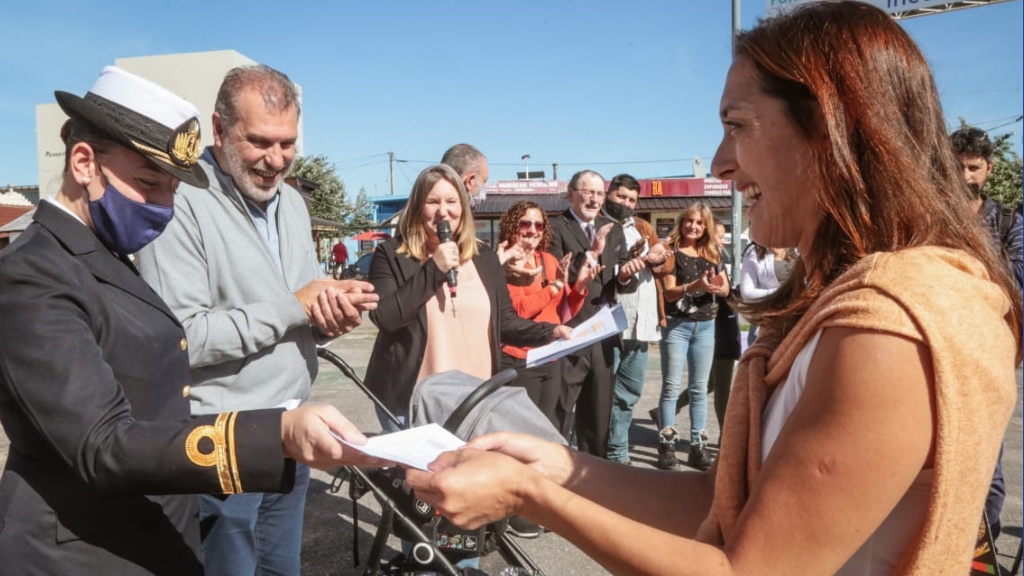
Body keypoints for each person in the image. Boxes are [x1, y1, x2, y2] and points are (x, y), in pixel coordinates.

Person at [402, 3, 1022, 574]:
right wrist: (561, 468)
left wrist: (527, 494)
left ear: (832, 128)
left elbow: (743, 568)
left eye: (737, 125)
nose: (721, 161)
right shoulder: (852, 301)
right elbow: (722, 501)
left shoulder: (887, 327)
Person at [0, 66, 383, 576]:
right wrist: (276, 434)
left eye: (173, 190)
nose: (164, 207)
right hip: (81, 549)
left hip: (145, 521)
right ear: (85, 162)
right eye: (147, 183)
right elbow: (103, 442)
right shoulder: (32, 272)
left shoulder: (103, 253)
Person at [137, 64, 378, 576]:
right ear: (219, 129)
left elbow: (301, 305)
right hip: (220, 441)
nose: (276, 160)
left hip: (288, 431)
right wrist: (297, 305)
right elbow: (183, 338)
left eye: (288, 143)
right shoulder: (178, 201)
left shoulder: (291, 203)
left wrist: (329, 316)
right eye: (261, 142)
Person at [363, 165, 572, 423]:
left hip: (475, 399)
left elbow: (505, 322)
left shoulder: (483, 257)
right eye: (432, 202)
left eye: (452, 201)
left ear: (463, 206)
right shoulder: (391, 254)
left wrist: (548, 332)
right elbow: (386, 318)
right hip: (410, 402)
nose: (443, 211)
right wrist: (434, 268)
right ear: (417, 207)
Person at [950, 125, 1023, 541]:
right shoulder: (928, 218)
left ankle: (983, 542)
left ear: (989, 169)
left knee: (987, 453)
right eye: (956, 167)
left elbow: (1017, 282)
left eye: (973, 167)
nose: (964, 177)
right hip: (938, 345)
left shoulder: (1010, 222)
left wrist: (965, 259)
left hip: (991, 351)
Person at [547, 169, 642, 457]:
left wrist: (626, 275)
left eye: (600, 193)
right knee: (560, 412)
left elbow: (622, 282)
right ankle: (553, 472)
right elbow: (556, 275)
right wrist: (592, 253)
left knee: (598, 414)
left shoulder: (612, 228)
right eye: (588, 192)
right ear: (571, 194)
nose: (595, 199)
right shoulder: (555, 229)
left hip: (603, 335)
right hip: (569, 333)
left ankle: (592, 477)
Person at [497, 200, 594, 429]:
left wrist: (579, 287)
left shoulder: (548, 260)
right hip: (520, 358)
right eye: (525, 224)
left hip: (551, 355)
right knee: (521, 428)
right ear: (512, 225)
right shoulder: (504, 263)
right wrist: (554, 286)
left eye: (539, 225)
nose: (532, 231)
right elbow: (519, 311)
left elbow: (564, 310)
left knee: (546, 425)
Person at [651, 203, 729, 471]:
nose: (693, 226)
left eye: (699, 222)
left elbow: (726, 289)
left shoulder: (713, 253)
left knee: (698, 390)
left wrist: (717, 286)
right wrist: (697, 286)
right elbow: (669, 292)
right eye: (689, 221)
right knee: (671, 387)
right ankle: (667, 446)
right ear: (681, 222)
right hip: (677, 326)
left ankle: (698, 446)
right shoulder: (670, 252)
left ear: (706, 226)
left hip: (706, 326)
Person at [601, 174, 667, 465]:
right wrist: (629, 263)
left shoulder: (641, 226)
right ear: (608, 194)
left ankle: (618, 451)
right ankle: (588, 449)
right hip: (610, 321)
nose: (626, 204)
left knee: (628, 393)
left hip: (643, 323)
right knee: (600, 392)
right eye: (620, 197)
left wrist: (659, 256)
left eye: (631, 199)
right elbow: (602, 271)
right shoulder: (598, 226)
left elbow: (664, 266)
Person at [739, 243, 796, 346]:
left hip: (794, 323)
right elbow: (747, 293)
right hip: (764, 324)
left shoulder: (797, 245)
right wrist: (782, 293)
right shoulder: (754, 250)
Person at [440, 143, 489, 209]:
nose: (485, 188)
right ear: (469, 181)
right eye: (484, 181)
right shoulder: (454, 217)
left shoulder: (426, 211)